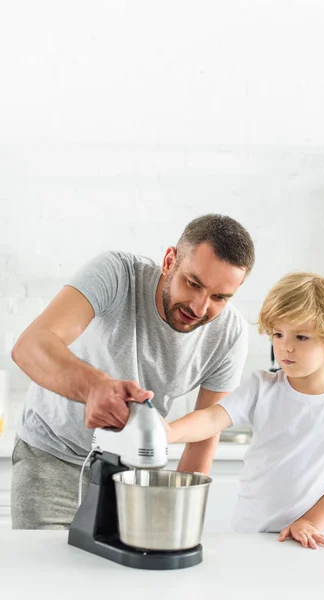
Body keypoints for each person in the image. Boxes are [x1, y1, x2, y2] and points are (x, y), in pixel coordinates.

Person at [11, 214, 255, 529]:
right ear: (170, 260)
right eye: (193, 283)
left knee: (127, 579)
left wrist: (177, 519)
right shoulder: (117, 274)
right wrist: (93, 387)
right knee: (52, 575)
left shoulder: (229, 333)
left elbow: (205, 434)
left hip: (134, 478)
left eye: (219, 297)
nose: (199, 307)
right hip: (53, 459)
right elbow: (30, 346)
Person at [166, 272, 324, 549]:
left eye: (301, 337)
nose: (285, 346)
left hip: (311, 537)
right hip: (249, 534)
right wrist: (168, 432)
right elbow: (212, 417)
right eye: (278, 334)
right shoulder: (262, 386)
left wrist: (311, 522)